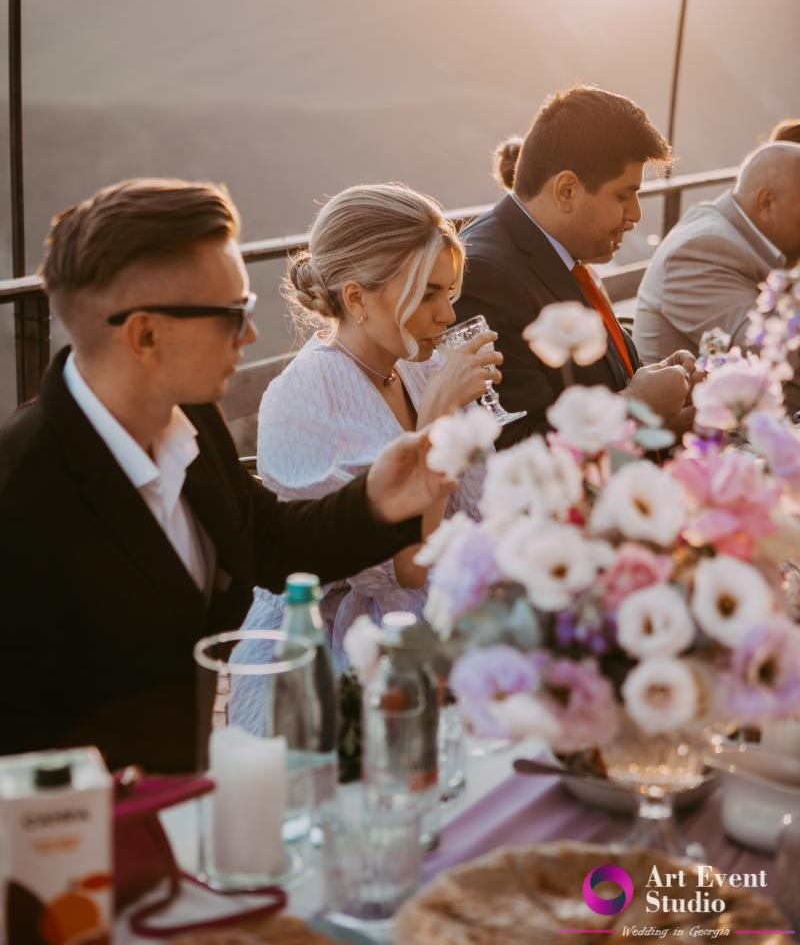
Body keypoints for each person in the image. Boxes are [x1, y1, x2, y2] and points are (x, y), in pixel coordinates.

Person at [0, 179, 456, 772]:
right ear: (145, 334)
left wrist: (377, 502)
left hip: (199, 797)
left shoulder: (188, 416)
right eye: (231, 315)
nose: (252, 335)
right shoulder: (23, 495)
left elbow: (267, 542)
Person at [243, 182, 502, 671]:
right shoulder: (302, 400)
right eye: (427, 295)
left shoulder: (418, 365)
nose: (448, 314)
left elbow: (479, 512)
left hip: (455, 615)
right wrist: (440, 419)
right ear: (358, 298)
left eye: (448, 292)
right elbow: (408, 568)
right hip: (346, 651)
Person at [456, 85, 696, 444]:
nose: (635, 214)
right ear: (566, 190)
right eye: (623, 195)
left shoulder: (562, 253)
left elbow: (591, 386)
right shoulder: (485, 276)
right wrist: (635, 406)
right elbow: (514, 446)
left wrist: (660, 388)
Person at [634, 121, 800, 415]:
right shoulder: (702, 250)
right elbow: (776, 355)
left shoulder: (738, 235)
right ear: (766, 202)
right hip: (695, 446)